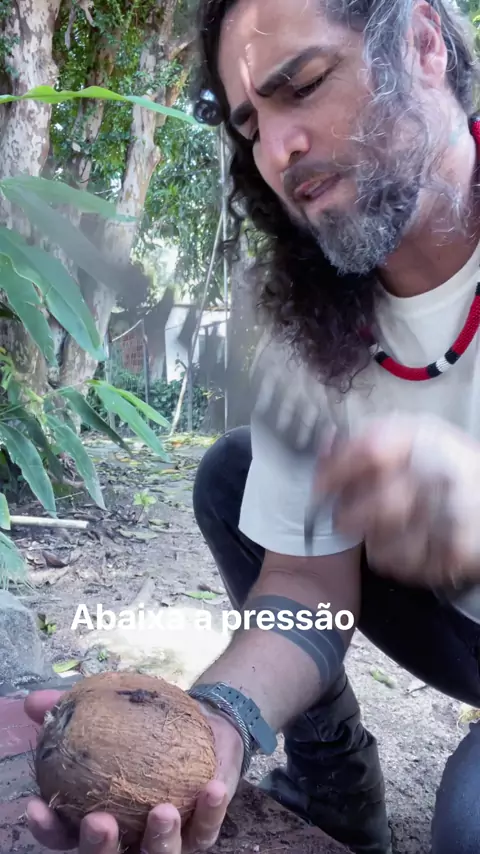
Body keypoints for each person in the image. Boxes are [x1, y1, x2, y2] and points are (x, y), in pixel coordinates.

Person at [23, 0, 480, 852]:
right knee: (234, 476)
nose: (277, 150)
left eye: (302, 85)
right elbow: (307, 584)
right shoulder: (310, 317)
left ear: (422, 43)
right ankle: (331, 775)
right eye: (249, 126)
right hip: (461, 634)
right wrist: (222, 720)